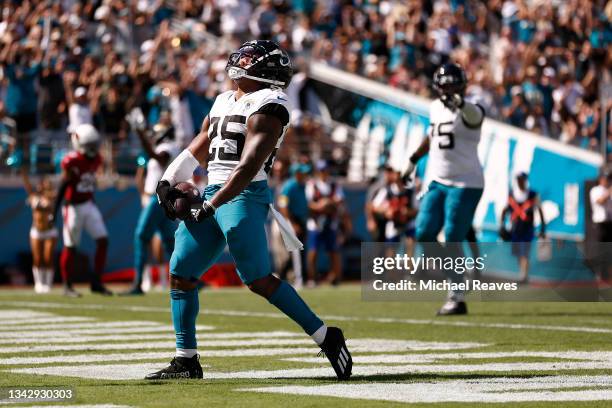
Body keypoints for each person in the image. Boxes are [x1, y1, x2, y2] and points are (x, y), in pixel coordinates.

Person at [150, 40, 352, 380]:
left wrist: (211, 204)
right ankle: (186, 360)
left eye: (252, 57)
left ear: (266, 70)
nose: (241, 59)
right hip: (213, 191)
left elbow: (247, 166)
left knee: (257, 279)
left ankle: (325, 336)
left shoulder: (270, 103)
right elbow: (201, 143)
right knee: (181, 273)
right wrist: (168, 180)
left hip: (243, 193)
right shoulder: (223, 99)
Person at [402, 63, 485, 316]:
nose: (448, 89)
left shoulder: (472, 107)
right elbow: (433, 134)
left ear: (462, 85)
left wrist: (460, 104)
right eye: (444, 85)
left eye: (453, 84)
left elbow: (475, 117)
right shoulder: (435, 107)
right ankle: (457, 275)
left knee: (451, 236)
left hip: (466, 183)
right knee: (424, 233)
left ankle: (456, 294)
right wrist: (413, 160)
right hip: (437, 180)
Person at [123, 109, 179, 295]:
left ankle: (138, 283)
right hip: (157, 198)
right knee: (170, 243)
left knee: (141, 236)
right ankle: (188, 278)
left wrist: (139, 132)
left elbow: (157, 157)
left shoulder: (169, 147)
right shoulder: (163, 146)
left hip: (159, 199)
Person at [53, 124, 112, 297]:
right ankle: (67, 285)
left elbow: (92, 181)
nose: (93, 148)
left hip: (88, 204)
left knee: (103, 240)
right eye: (90, 144)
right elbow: (64, 185)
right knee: (71, 247)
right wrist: (54, 211)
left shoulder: (97, 159)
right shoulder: (71, 160)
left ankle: (96, 282)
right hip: (72, 207)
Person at [500, 172, 546, 284]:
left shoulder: (532, 194)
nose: (520, 182)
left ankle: (524, 275)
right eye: (518, 180)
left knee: (525, 251)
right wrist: (502, 225)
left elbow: (539, 210)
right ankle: (523, 272)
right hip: (515, 228)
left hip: (527, 228)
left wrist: (543, 228)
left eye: (522, 180)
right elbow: (505, 210)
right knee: (518, 253)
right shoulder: (512, 194)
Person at [305, 160, 346, 286]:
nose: (324, 173)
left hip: (331, 222)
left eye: (325, 170)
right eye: (321, 170)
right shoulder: (312, 184)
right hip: (316, 223)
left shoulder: (334, 185)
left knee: (333, 251)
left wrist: (328, 203)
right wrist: (322, 206)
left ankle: (336, 277)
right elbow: (310, 204)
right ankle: (312, 278)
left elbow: (340, 201)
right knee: (313, 251)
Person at [22, 169, 57, 293]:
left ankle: (48, 283)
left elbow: (54, 196)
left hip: (49, 231)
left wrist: (49, 189)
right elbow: (27, 185)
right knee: (37, 258)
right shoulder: (34, 197)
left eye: (46, 183)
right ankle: (38, 283)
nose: (42, 185)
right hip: (36, 231)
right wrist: (22, 171)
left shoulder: (51, 196)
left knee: (48, 257)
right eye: (42, 183)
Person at [277, 163, 310, 286]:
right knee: (296, 252)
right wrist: (291, 224)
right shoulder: (289, 186)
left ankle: (283, 275)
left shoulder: (302, 185)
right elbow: (283, 205)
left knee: (299, 251)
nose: (305, 175)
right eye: (302, 172)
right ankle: (298, 278)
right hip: (293, 220)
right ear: (296, 173)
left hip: (301, 221)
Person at [589, 169, 612, 280]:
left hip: (609, 223)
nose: (606, 180)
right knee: (600, 248)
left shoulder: (608, 190)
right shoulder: (596, 190)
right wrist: (609, 192)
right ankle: (599, 274)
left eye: (607, 178)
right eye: (604, 178)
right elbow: (600, 201)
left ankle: (606, 273)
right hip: (600, 224)